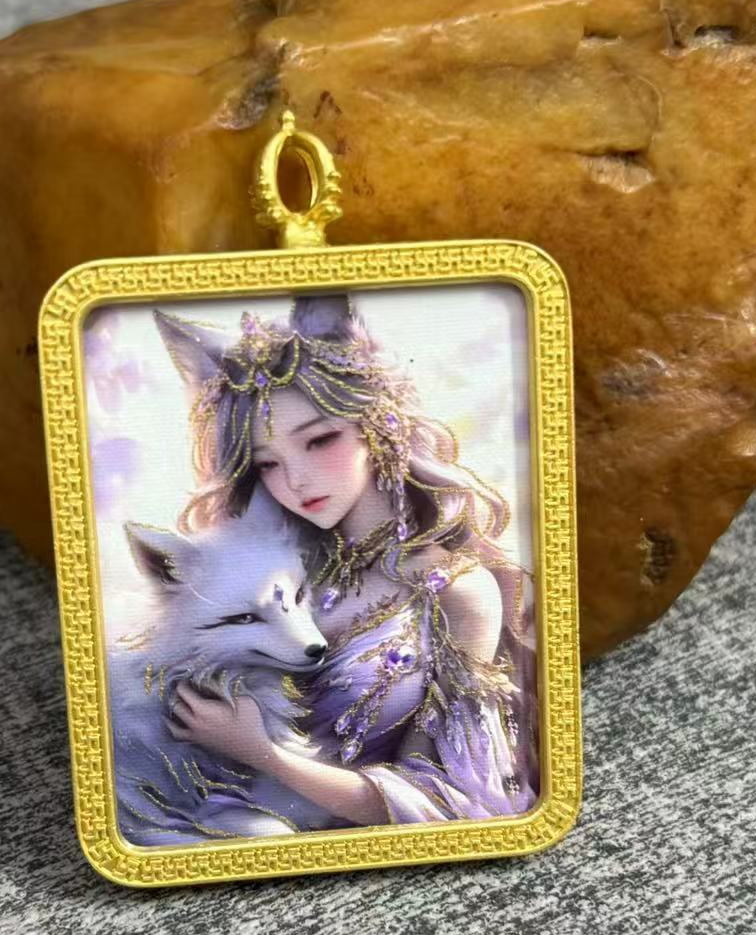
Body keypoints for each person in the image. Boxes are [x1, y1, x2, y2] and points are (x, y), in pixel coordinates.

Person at [153, 292, 539, 833]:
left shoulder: (455, 592)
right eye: (267, 464)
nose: (296, 480)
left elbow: (437, 805)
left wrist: (265, 753)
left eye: (319, 440)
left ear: (377, 426)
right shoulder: (284, 570)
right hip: (212, 816)